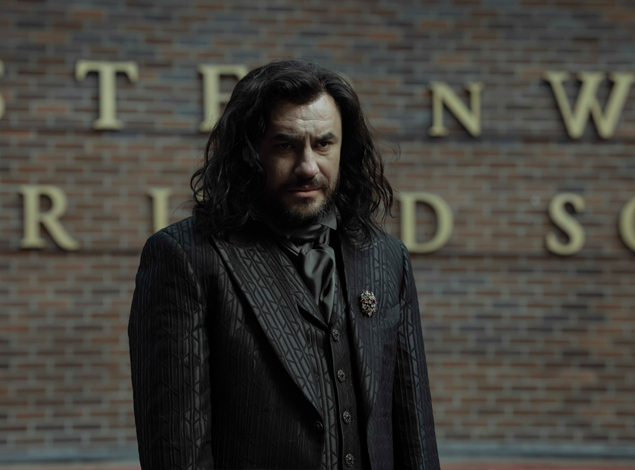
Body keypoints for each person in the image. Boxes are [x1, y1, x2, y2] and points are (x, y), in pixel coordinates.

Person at [128, 60, 440, 470]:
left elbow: (415, 435)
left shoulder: (386, 257)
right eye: (285, 145)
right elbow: (176, 452)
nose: (308, 166)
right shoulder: (184, 257)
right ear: (249, 151)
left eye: (324, 144)